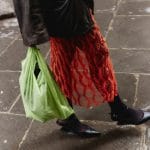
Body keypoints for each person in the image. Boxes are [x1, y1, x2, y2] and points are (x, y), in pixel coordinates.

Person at [13, 0, 150, 137]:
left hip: (69, 10)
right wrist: (32, 31)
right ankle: (116, 111)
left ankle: (71, 116)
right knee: (88, 57)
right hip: (61, 13)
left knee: (70, 61)